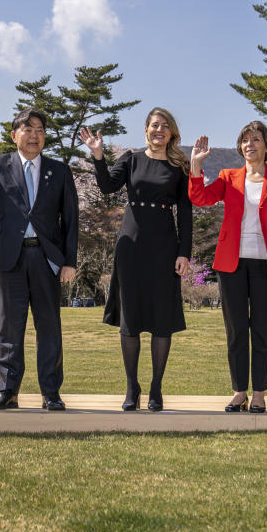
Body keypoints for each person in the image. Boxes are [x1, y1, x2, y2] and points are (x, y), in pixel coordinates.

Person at [0, 109, 78, 411]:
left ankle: (51, 392)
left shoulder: (59, 170)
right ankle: (8, 390)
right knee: (9, 328)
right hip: (8, 258)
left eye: (40, 130)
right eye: (27, 129)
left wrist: (70, 261)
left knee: (50, 327)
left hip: (46, 259)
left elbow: (70, 219)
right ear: (14, 135)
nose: (34, 135)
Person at [80, 108, 191, 412]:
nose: (159, 130)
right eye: (155, 125)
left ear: (172, 133)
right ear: (145, 130)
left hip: (165, 248)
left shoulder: (180, 166)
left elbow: (186, 212)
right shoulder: (130, 159)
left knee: (161, 320)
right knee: (130, 320)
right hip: (131, 246)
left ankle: (156, 386)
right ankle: (132, 387)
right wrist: (99, 156)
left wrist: (184, 252)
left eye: (165, 127)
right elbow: (106, 187)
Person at [188, 122, 267, 414]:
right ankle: (239, 392)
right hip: (230, 264)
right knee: (235, 331)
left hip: (266, 265)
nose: (250, 144)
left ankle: (259, 393)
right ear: (240, 147)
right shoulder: (228, 177)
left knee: (262, 330)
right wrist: (196, 167)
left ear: (266, 146)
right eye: (245, 140)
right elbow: (200, 198)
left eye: (256, 139)